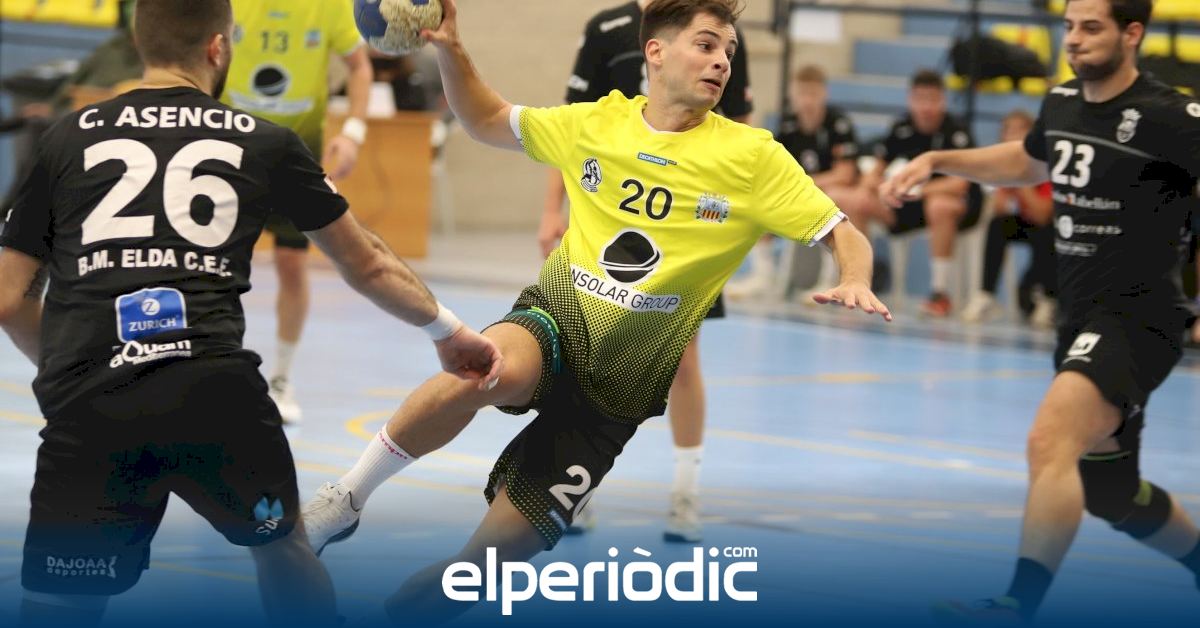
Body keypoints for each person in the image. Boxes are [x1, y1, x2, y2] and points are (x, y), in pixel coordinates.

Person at [302, 0, 891, 623]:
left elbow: (841, 230)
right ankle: (346, 497)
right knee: (484, 368)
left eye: (728, 50)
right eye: (706, 44)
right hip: (558, 320)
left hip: (619, 391)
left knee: (473, 577)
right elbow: (486, 119)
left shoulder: (753, 158)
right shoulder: (599, 121)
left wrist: (855, 278)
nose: (721, 61)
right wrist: (450, 48)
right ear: (656, 52)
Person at [0, 0, 500, 625]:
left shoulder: (66, 137)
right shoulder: (262, 141)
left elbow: (8, 299)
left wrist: (72, 364)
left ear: (138, 40)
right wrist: (447, 331)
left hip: (92, 403)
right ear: (218, 48)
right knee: (282, 545)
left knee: (61, 604)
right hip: (213, 393)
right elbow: (367, 262)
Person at [881, 0, 1200, 620]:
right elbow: (1027, 161)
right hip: (1078, 319)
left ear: (1132, 34)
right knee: (1112, 495)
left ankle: (1016, 604)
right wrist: (937, 160)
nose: (1074, 40)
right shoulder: (1062, 102)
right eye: (1069, 27)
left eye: (1092, 28)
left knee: (1050, 439)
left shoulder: (1169, 115)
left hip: (1138, 317)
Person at [533, 0, 754, 542]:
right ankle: (576, 486)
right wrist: (551, 210)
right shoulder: (607, 28)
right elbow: (571, 127)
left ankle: (685, 493)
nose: (718, 56)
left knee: (684, 358)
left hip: (688, 224)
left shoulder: (715, 33)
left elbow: (743, 132)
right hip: (611, 222)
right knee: (591, 349)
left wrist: (742, 213)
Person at [222, 0, 374, 424]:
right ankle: (217, 371)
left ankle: (281, 380)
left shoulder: (328, 6)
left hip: (295, 151)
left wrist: (353, 134)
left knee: (291, 263)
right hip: (230, 148)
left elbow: (359, 67)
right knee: (218, 264)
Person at [846, 69, 983, 317]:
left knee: (938, 205)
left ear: (942, 100)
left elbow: (959, 184)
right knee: (859, 200)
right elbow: (876, 171)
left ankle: (940, 294)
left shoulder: (956, 131)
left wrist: (919, 190)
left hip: (956, 208)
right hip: (911, 204)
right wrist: (876, 187)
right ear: (911, 99)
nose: (926, 107)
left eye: (932, 99)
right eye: (920, 99)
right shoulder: (902, 127)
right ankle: (859, 282)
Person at [959, 110, 1057, 327]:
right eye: (1008, 130)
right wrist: (1007, 180)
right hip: (1024, 222)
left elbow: (1042, 214)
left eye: (1019, 130)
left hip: (1049, 230)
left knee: (1047, 232)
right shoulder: (1004, 164)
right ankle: (986, 294)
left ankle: (1048, 299)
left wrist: (1021, 179)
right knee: (997, 226)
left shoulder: (1047, 163)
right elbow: (1000, 207)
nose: (1013, 135)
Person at [773, 64, 861, 300]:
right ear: (792, 94)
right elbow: (774, 170)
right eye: (802, 93)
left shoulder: (838, 124)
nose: (807, 100)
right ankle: (764, 277)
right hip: (801, 193)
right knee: (759, 197)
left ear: (824, 93)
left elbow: (845, 175)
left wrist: (805, 183)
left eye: (813, 93)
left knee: (831, 198)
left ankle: (829, 280)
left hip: (829, 195)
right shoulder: (787, 126)